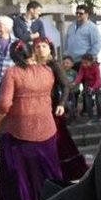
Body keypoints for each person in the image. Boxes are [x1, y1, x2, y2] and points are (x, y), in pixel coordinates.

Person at [0, 40, 63, 200]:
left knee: (18, 176)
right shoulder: (46, 71)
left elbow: (4, 104)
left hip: (19, 131)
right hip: (46, 129)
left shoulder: (13, 73)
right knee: (48, 173)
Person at [35, 37, 88, 182]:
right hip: (37, 109)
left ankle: (68, 171)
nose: (40, 49)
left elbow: (66, 85)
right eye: (38, 46)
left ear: (49, 48)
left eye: (44, 46)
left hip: (52, 107)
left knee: (60, 139)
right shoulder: (32, 66)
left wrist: (61, 104)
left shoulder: (54, 65)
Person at [73, 53, 101, 123]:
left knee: (99, 102)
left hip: (98, 86)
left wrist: (93, 88)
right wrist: (74, 83)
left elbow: (98, 79)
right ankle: (91, 118)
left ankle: (100, 117)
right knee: (88, 103)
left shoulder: (95, 66)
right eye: (83, 63)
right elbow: (80, 75)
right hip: (88, 85)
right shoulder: (82, 66)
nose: (84, 65)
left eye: (86, 63)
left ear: (91, 61)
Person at [61, 55, 79, 120]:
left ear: (72, 64)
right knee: (65, 104)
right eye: (64, 63)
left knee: (72, 104)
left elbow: (77, 82)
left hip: (72, 92)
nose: (65, 65)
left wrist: (75, 89)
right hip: (64, 93)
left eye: (67, 63)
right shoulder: (61, 72)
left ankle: (73, 114)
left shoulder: (74, 73)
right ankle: (66, 115)